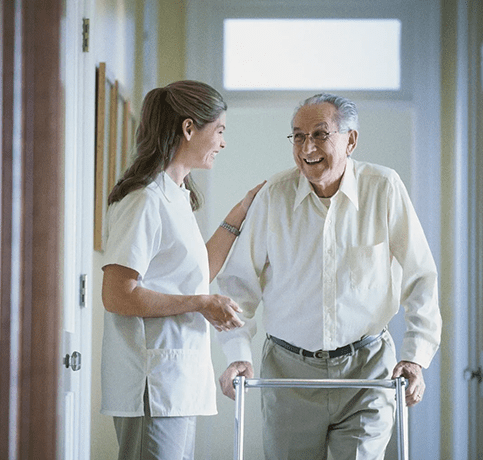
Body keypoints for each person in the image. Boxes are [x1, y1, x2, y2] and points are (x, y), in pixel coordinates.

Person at [218, 93, 442, 460]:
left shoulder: (384, 188)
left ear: (350, 140)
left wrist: (415, 356)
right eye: (298, 136)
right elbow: (238, 285)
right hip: (288, 374)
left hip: (366, 371)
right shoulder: (273, 196)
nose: (308, 147)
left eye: (321, 135)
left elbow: (421, 276)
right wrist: (237, 352)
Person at [100, 80, 264, 460]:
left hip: (175, 381)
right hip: (151, 385)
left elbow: (197, 271)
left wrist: (240, 212)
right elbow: (117, 294)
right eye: (219, 131)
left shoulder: (177, 195)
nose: (223, 143)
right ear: (189, 128)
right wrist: (200, 303)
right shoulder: (144, 199)